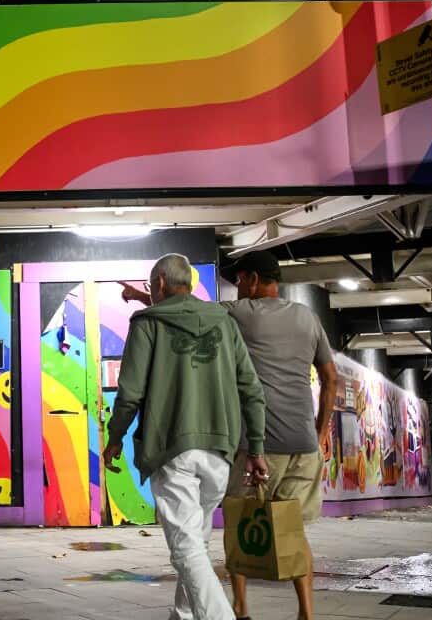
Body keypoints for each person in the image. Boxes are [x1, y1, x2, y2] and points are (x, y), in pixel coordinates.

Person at [121, 251, 341, 620]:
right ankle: (306, 612)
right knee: (293, 530)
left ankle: (238, 609)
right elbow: (332, 377)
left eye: (239, 280)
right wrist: (319, 434)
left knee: (238, 526)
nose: (237, 288)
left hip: (257, 442)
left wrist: (143, 298)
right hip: (303, 444)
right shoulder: (308, 317)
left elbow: (186, 309)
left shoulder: (239, 314)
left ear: (253, 280)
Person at [105, 254, 267, 620]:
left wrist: (115, 438)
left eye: (151, 287)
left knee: (186, 548)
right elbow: (251, 389)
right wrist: (255, 448)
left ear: (160, 283)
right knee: (195, 541)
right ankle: (184, 615)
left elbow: (130, 392)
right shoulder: (225, 322)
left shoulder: (148, 323)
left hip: (172, 448)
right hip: (220, 449)